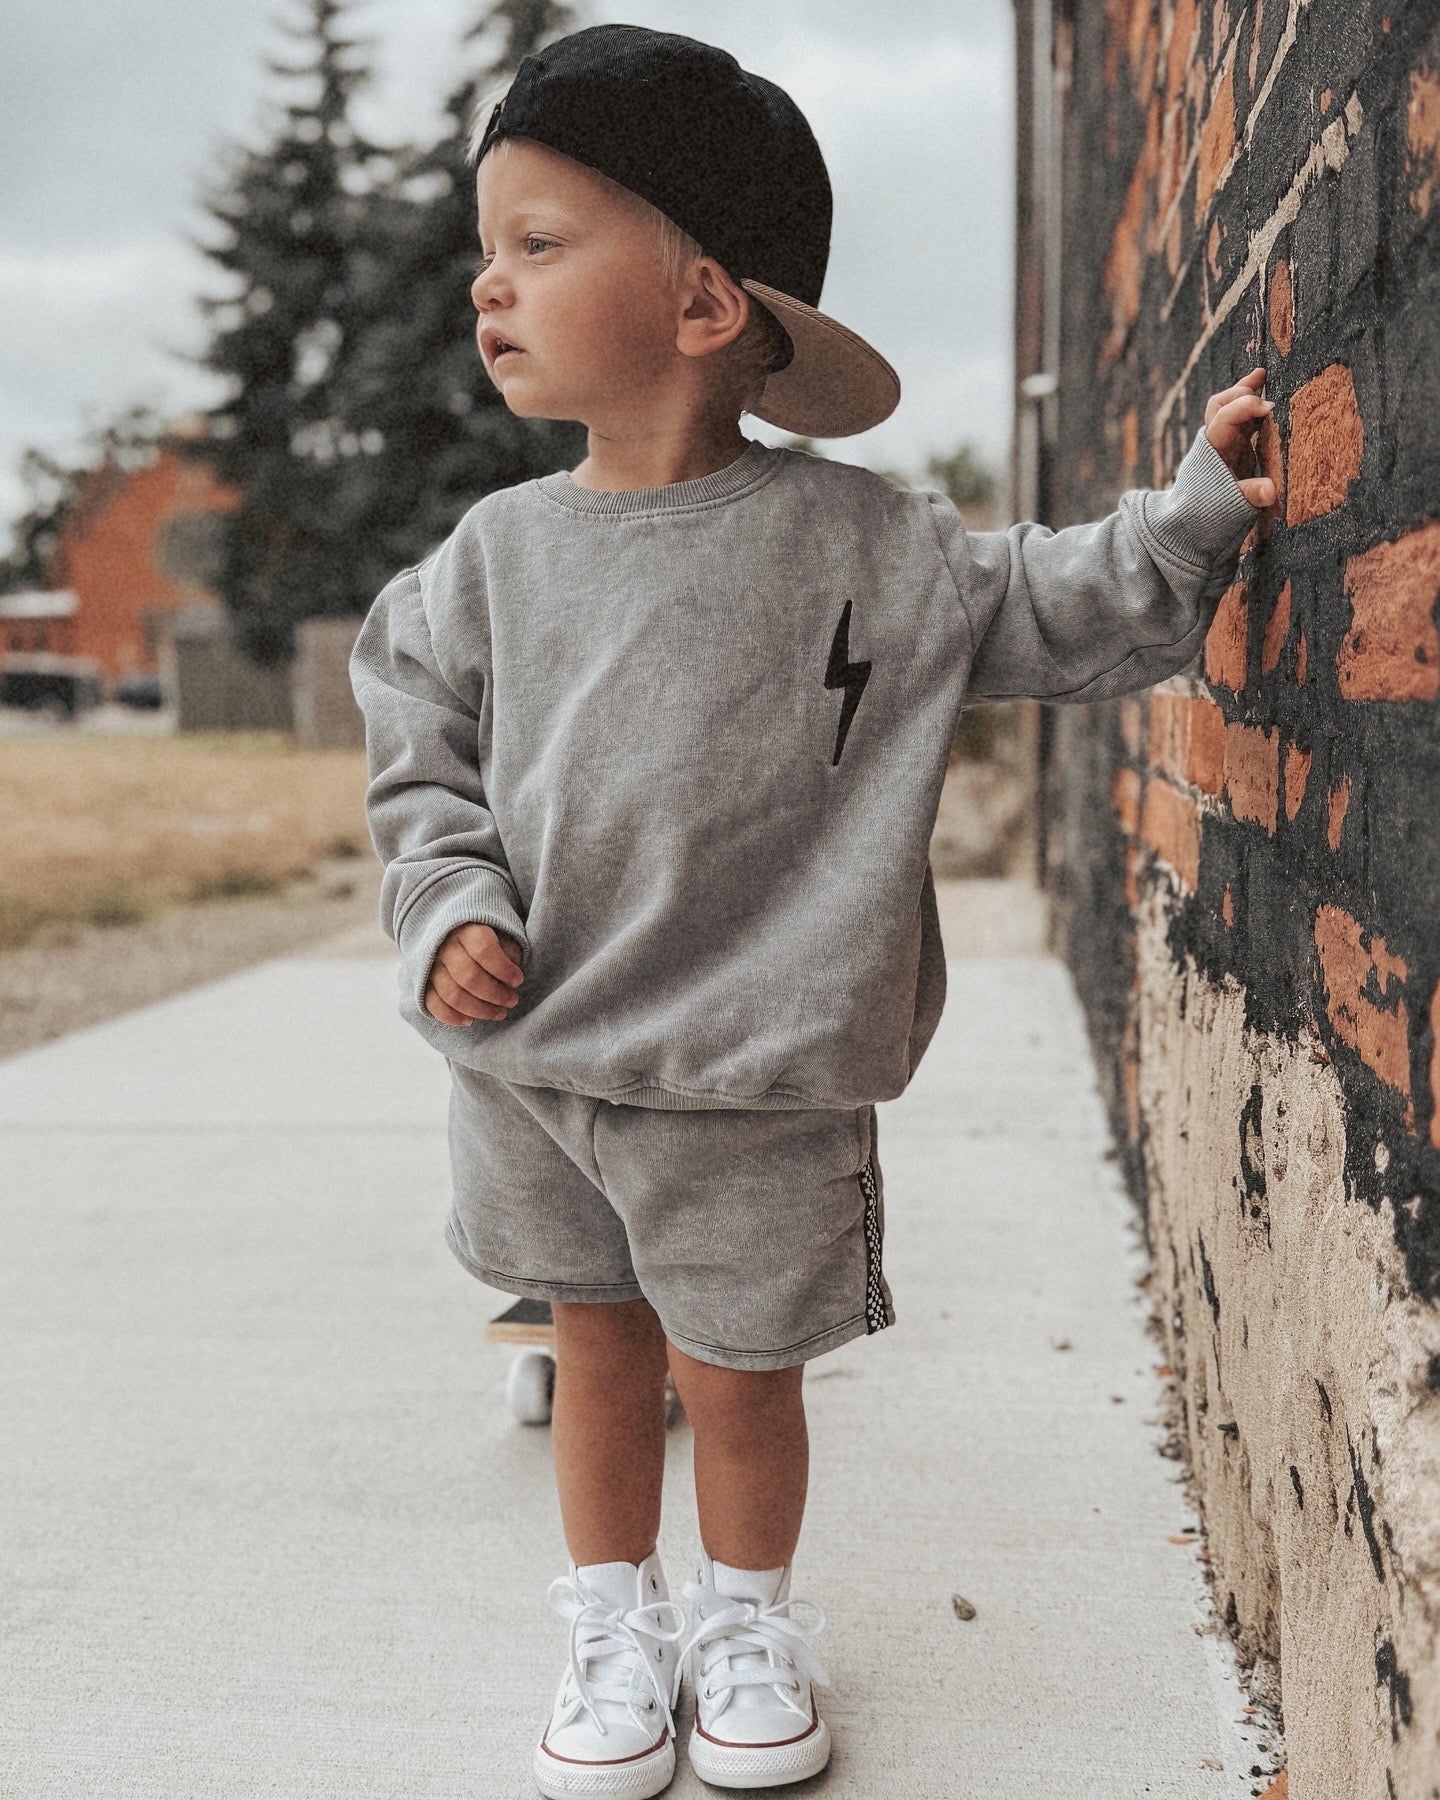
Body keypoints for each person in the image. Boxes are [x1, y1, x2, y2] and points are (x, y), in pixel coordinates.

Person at [348, 24, 1277, 1798]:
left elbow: (1061, 600)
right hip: (536, 1066)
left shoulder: (872, 546)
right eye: (492, 248)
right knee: (595, 1350)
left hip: (762, 1072)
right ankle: (612, 1616)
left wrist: (1197, 514)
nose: (490, 285)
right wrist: (446, 901)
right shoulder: (483, 565)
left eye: (542, 243)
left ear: (704, 305)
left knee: (743, 1372)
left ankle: (749, 1617)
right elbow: (420, 769)